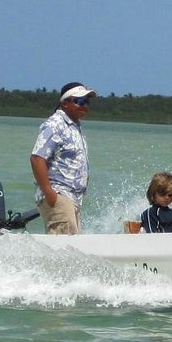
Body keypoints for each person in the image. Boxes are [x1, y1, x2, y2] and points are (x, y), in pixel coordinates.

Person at [30, 82, 97, 234]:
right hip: (59, 194)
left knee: (71, 249)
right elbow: (37, 158)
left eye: (87, 101)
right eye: (79, 101)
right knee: (64, 249)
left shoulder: (74, 126)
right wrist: (50, 194)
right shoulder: (55, 124)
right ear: (65, 103)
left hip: (72, 199)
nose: (84, 105)